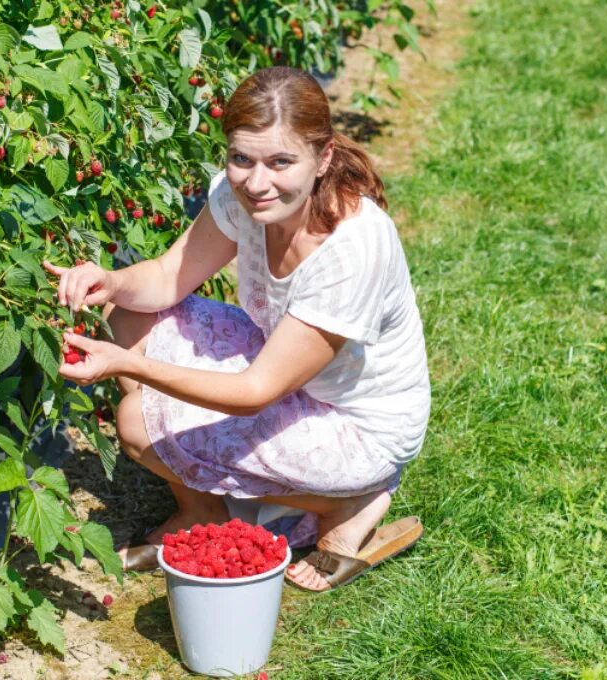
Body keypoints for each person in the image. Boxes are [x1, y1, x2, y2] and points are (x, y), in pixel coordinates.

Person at [42, 66, 429, 592]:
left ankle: (347, 500)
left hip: (357, 426)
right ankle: (201, 510)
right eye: (241, 158)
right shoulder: (240, 195)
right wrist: (107, 282)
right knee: (128, 313)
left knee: (137, 422)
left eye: (281, 162)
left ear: (324, 158)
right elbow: (164, 278)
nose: (256, 181)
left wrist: (129, 366)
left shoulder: (351, 249)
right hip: (288, 369)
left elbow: (254, 393)